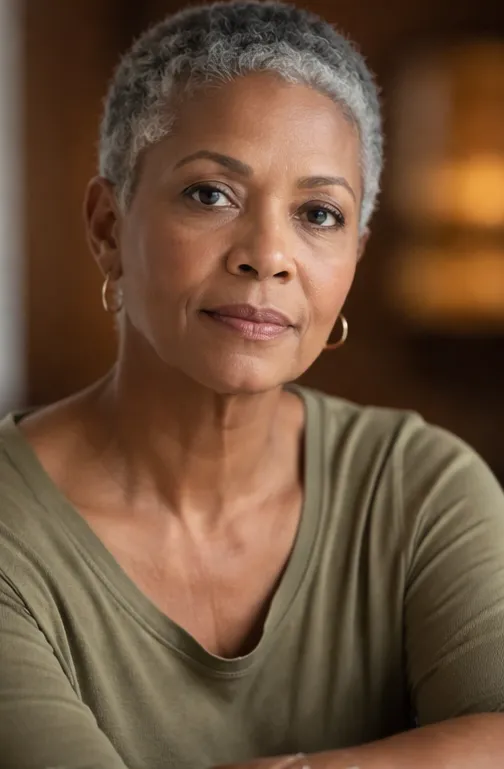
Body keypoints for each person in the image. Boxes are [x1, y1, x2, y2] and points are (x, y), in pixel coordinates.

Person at [1, 1, 504, 767]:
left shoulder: (417, 485)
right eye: (211, 194)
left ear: (354, 257)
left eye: (318, 213)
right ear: (108, 227)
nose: (268, 254)